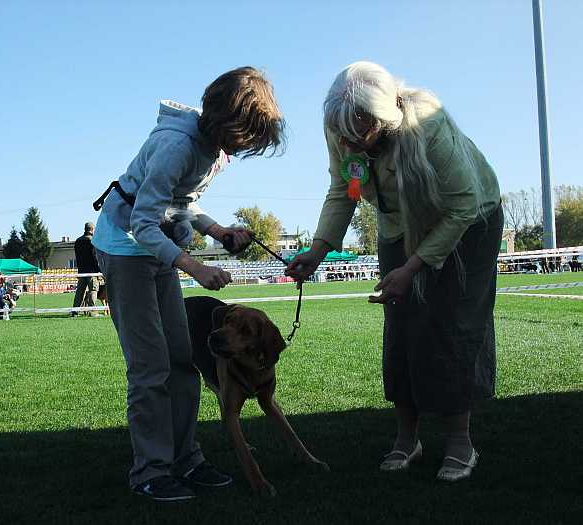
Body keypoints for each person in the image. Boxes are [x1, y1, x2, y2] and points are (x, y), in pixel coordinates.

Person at [286, 62, 503, 482]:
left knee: (453, 322)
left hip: (469, 219)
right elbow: (345, 189)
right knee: (401, 322)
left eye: (358, 132)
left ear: (383, 120)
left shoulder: (429, 127)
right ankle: (408, 437)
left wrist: (414, 266)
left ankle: (460, 441)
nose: (347, 141)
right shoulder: (341, 128)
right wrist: (318, 250)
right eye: (341, 133)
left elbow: (462, 205)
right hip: (398, 224)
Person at [92, 66, 285, 501]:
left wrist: (220, 233)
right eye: (247, 134)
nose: (248, 145)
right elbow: (142, 222)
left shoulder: (212, 151)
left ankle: (186, 459)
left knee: (182, 360)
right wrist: (194, 267)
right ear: (229, 122)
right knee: (150, 367)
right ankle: (150, 470)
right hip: (125, 250)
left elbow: (184, 203)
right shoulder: (175, 146)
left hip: (156, 249)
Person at [72, 222, 100, 317]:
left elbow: (77, 257)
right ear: (92, 230)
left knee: (80, 291)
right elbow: (95, 257)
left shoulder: (78, 241)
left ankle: (75, 312)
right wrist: (99, 269)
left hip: (81, 271)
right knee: (93, 290)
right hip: (92, 271)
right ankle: (92, 311)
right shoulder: (93, 241)